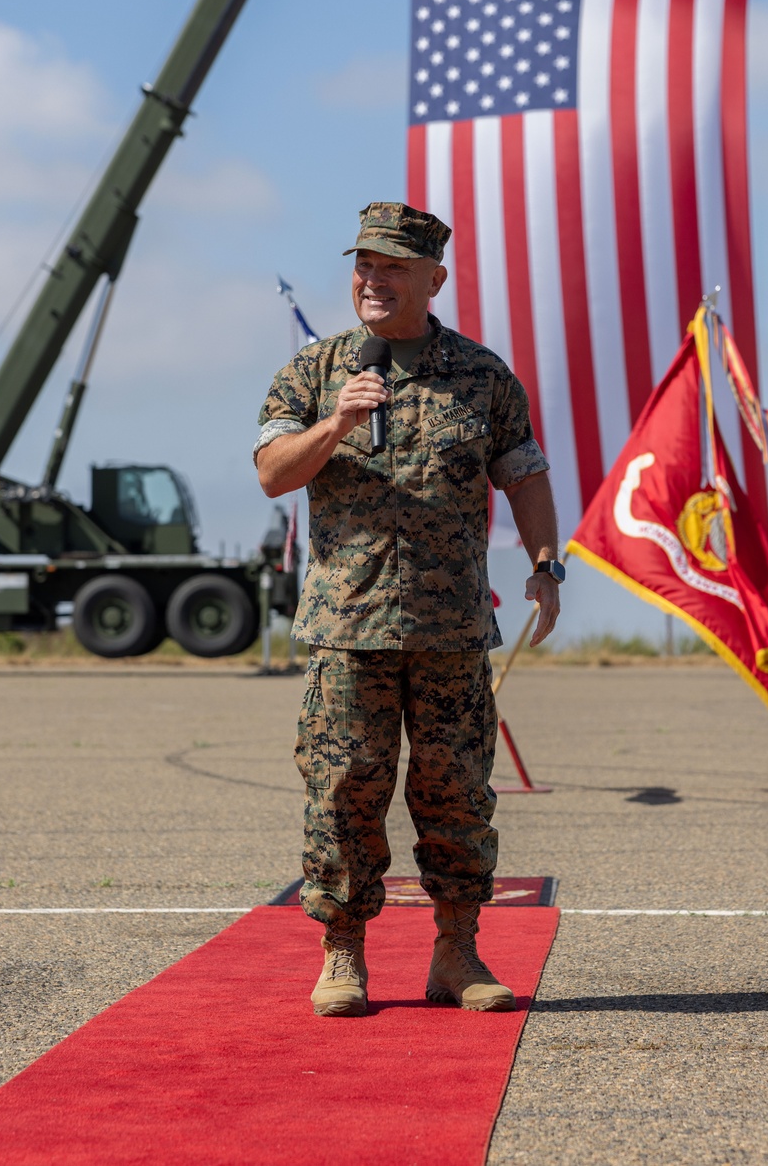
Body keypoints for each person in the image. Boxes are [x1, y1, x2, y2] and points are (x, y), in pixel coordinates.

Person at [254, 202, 563, 1017]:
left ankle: (457, 953)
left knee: (456, 789)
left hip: (453, 631)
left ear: (435, 279)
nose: (372, 279)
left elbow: (524, 471)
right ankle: (343, 955)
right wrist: (339, 421)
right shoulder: (315, 372)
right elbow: (273, 473)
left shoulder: (482, 375)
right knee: (345, 788)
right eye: (364, 264)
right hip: (346, 629)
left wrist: (544, 564)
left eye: (392, 267)